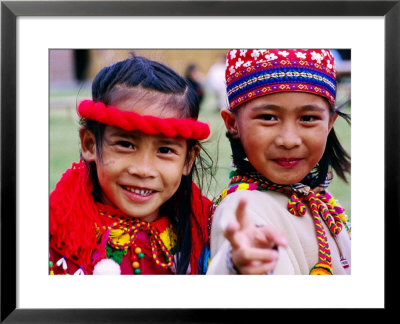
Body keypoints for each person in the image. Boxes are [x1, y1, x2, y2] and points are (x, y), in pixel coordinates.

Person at [49, 55, 213, 275]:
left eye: (165, 150)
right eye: (125, 144)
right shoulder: (55, 232)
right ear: (89, 144)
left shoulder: (205, 232)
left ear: (188, 160)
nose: (143, 169)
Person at [207, 49, 351, 275]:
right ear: (232, 123)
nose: (289, 140)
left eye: (308, 118)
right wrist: (240, 265)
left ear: (330, 123)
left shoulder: (317, 199)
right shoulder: (241, 210)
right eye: (268, 117)